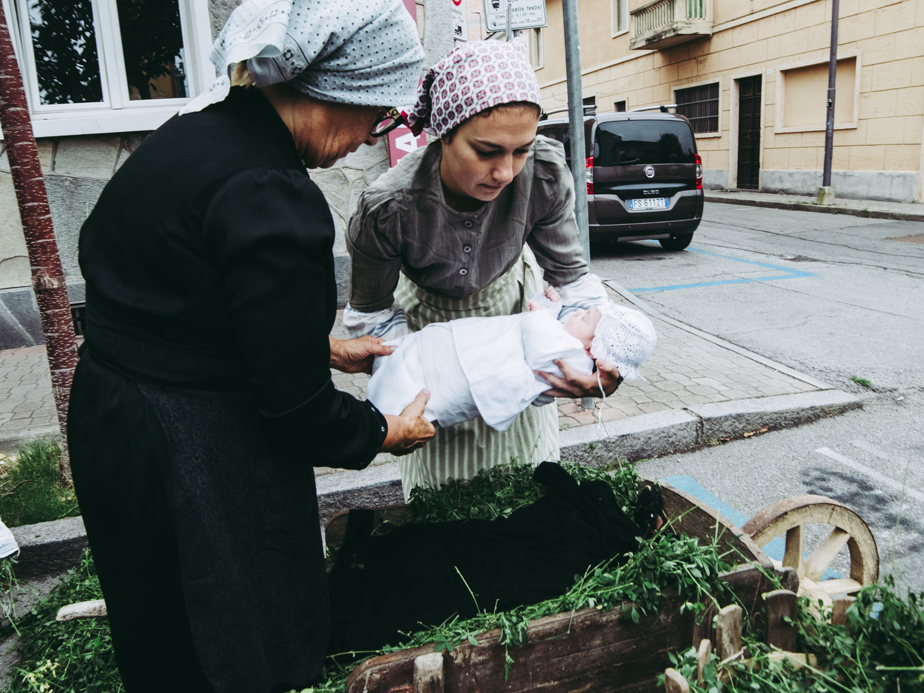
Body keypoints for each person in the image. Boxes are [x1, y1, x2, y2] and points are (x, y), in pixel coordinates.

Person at [66, 2, 432, 691]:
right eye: (379, 112)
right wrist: (384, 430)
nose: (370, 135)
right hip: (189, 448)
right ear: (339, 88)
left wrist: (316, 345)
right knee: (231, 628)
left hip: (111, 415)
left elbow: (176, 290)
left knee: (155, 615)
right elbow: (296, 411)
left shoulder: (189, 136)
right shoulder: (274, 195)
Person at [344, 38, 622, 496]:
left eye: (521, 150)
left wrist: (598, 357)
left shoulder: (545, 173)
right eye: (487, 151)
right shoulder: (388, 207)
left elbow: (572, 283)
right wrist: (406, 384)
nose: (506, 173)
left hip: (516, 324)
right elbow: (372, 317)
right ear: (444, 133)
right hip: (430, 337)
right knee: (447, 505)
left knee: (526, 491)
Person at [366, 287, 657, 434]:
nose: (575, 313)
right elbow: (555, 328)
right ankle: (384, 385)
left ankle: (381, 415)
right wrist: (554, 306)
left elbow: (539, 337)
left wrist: (541, 311)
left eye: (585, 317)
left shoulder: (574, 360)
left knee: (430, 388)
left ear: (594, 348)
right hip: (477, 355)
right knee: (421, 358)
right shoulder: (574, 345)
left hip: (476, 376)